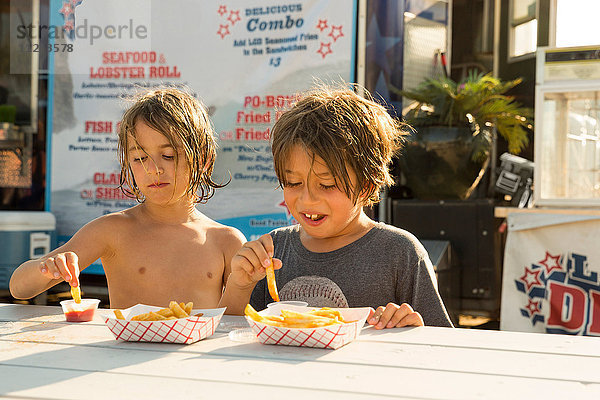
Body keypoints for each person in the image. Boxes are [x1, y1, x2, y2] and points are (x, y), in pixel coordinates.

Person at [220, 84, 453, 328]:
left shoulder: (400, 253)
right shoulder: (273, 252)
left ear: (366, 184)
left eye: (327, 185)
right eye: (293, 182)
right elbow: (231, 334)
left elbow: (439, 346)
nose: (307, 199)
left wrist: (410, 326)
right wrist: (240, 284)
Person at [10, 87, 245, 309]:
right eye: (140, 158)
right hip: (122, 353)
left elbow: (236, 323)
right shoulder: (112, 230)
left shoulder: (225, 241)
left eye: (168, 155)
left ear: (202, 159)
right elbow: (19, 288)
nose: (153, 168)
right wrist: (48, 268)